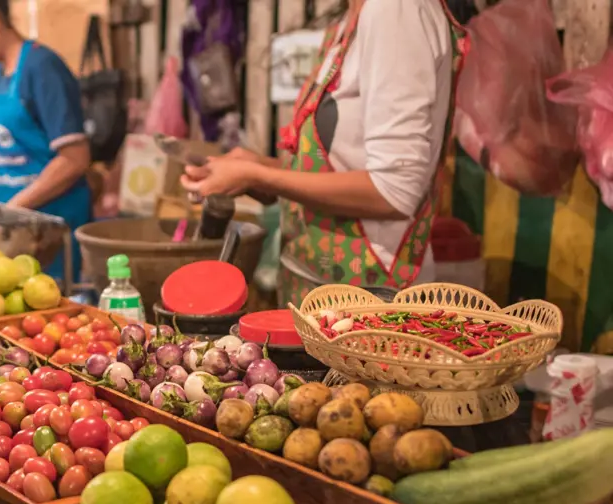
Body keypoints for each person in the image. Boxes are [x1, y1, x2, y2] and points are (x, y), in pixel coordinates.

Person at [181, 0, 464, 305]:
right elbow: (345, 167)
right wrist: (262, 169)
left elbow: (394, 192)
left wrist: (258, 175)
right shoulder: (351, 20)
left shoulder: (395, 10)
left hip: (369, 307)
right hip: (320, 294)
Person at [0, 0, 92, 282]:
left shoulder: (42, 67)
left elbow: (74, 158)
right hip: (14, 232)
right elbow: (7, 154)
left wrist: (13, 209)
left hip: (50, 233)